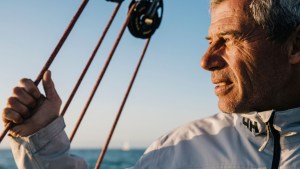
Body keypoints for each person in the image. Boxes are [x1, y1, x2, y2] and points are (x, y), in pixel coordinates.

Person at [2, 0, 300, 168]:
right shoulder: (175, 153)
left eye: (229, 39)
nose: (206, 60)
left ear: (295, 45)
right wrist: (42, 142)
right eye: (210, 41)